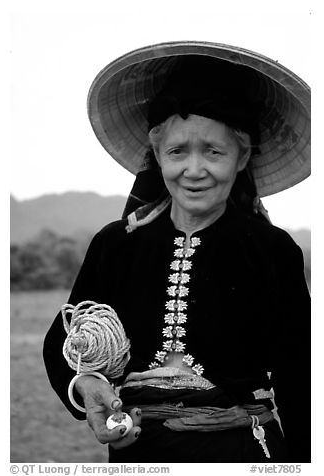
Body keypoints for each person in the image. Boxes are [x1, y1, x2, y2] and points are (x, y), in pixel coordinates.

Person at [43, 41, 311, 463]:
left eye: (214, 151)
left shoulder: (272, 251)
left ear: (242, 157)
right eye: (177, 151)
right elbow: (65, 337)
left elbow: (302, 376)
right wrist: (85, 385)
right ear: (157, 155)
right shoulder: (117, 244)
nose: (194, 169)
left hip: (242, 451)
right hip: (140, 454)